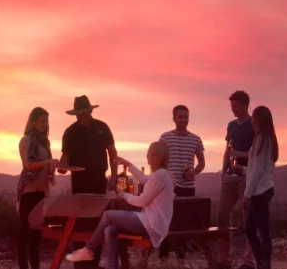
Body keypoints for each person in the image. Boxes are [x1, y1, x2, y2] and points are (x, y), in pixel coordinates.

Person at [65, 142, 175, 268]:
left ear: (156, 156)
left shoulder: (160, 175)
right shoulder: (160, 174)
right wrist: (127, 164)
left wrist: (123, 195)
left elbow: (142, 201)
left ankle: (88, 249)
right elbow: (145, 179)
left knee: (108, 215)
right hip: (150, 220)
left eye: (148, 153)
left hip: (151, 223)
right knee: (110, 229)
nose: (146, 155)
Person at [57, 95, 117, 268]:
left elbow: (113, 153)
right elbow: (65, 158)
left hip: (99, 181)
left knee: (97, 222)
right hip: (78, 182)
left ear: (90, 111)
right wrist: (62, 167)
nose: (81, 115)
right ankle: (80, 263)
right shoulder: (70, 132)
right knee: (80, 223)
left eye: (84, 112)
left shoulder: (102, 127)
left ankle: (94, 261)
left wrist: (113, 176)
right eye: (78, 113)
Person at [157, 104, 206, 261]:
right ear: (174, 119)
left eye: (186, 116)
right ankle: (163, 259)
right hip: (169, 187)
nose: (184, 119)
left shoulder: (196, 139)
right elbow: (158, 159)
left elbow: (201, 163)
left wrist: (194, 172)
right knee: (166, 222)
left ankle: (180, 259)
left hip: (188, 188)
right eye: (181, 116)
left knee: (184, 225)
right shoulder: (165, 137)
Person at [16, 107, 60, 269]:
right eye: (42, 120)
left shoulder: (45, 142)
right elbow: (29, 165)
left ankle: (35, 266)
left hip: (42, 192)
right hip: (28, 192)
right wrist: (47, 162)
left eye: (46, 121)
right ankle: (23, 266)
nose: (45, 124)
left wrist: (53, 166)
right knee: (24, 232)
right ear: (33, 121)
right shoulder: (26, 140)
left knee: (36, 234)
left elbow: (47, 169)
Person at [218, 90, 257, 269]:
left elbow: (258, 153)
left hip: (246, 176)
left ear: (244, 105)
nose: (232, 109)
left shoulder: (254, 125)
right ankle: (225, 258)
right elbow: (227, 149)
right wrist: (223, 171)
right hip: (229, 176)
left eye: (235, 106)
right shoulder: (231, 125)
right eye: (231, 106)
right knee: (222, 216)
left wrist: (239, 154)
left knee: (248, 217)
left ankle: (249, 260)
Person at [238, 106, 278, 269]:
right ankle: (262, 262)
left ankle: (265, 264)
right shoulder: (265, 139)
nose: (252, 120)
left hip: (259, 192)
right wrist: (243, 170)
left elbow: (259, 170)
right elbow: (257, 168)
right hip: (261, 190)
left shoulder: (263, 139)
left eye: (254, 117)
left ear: (260, 119)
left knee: (262, 231)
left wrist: (247, 194)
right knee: (252, 229)